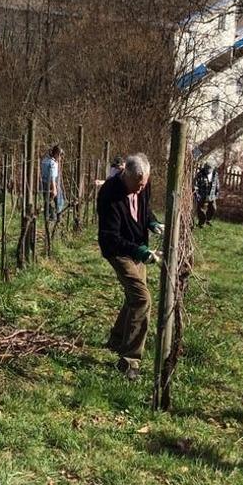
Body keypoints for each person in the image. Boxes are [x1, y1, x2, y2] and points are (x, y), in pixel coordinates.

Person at [96, 152, 163, 380]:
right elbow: (111, 237)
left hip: (137, 246)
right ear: (127, 175)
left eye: (144, 185)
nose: (141, 189)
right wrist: (141, 252)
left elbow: (144, 208)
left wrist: (152, 222)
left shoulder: (142, 185)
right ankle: (130, 360)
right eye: (138, 185)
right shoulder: (109, 194)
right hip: (118, 251)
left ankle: (116, 340)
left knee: (134, 297)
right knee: (142, 298)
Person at [39, 145, 65, 223]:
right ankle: (57, 218)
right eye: (60, 156)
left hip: (44, 183)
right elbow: (52, 177)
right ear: (57, 154)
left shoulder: (44, 160)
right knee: (60, 200)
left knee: (47, 201)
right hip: (52, 183)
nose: (60, 159)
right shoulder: (53, 163)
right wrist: (54, 188)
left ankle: (49, 217)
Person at [193, 162, 220, 228]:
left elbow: (217, 184)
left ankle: (208, 220)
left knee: (213, 208)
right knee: (201, 210)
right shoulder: (200, 174)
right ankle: (201, 223)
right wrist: (197, 194)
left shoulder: (215, 175)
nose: (207, 171)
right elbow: (196, 185)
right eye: (206, 169)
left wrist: (217, 192)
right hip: (202, 195)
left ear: (212, 169)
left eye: (209, 169)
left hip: (212, 195)